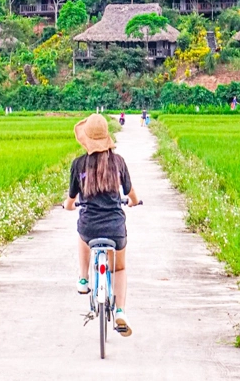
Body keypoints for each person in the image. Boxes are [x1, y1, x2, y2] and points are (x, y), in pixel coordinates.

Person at [64, 113, 139, 337]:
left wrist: (68, 206)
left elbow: (71, 199)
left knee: (82, 233)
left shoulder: (79, 165)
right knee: (120, 267)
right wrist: (135, 202)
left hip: (89, 227)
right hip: (116, 228)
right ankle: (120, 312)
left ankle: (83, 278)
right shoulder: (118, 162)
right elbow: (131, 193)